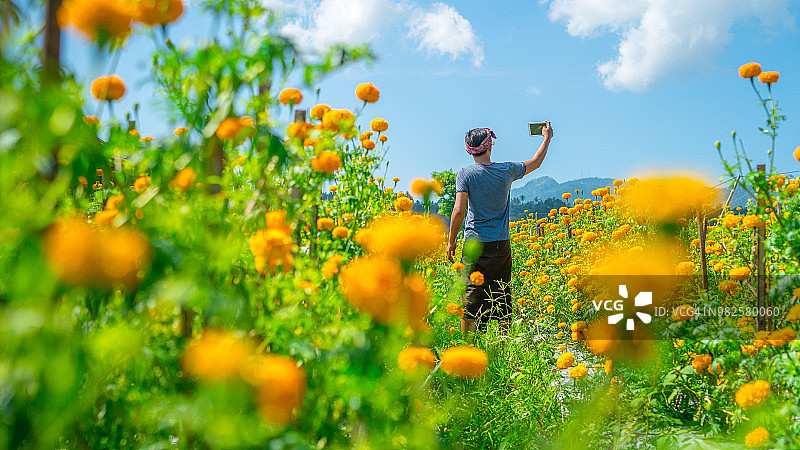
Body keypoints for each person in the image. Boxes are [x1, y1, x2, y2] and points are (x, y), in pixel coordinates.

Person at [446, 122, 553, 337]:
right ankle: (503, 344)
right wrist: (546, 138)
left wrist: (451, 241)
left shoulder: (465, 174)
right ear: (490, 146)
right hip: (501, 244)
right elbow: (536, 162)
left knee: (471, 293)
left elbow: (459, 210)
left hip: (475, 243)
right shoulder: (506, 170)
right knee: (502, 291)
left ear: (469, 150)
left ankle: (469, 344)